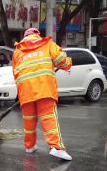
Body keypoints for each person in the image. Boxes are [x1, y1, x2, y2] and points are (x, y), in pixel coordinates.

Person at [12, 28, 73, 161]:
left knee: (29, 120)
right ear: (37, 35)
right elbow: (61, 59)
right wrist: (68, 64)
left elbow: (16, 73)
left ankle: (29, 146)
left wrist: (23, 89)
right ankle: (56, 147)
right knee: (48, 118)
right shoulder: (47, 44)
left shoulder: (17, 51)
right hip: (44, 88)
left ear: (25, 36)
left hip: (26, 91)